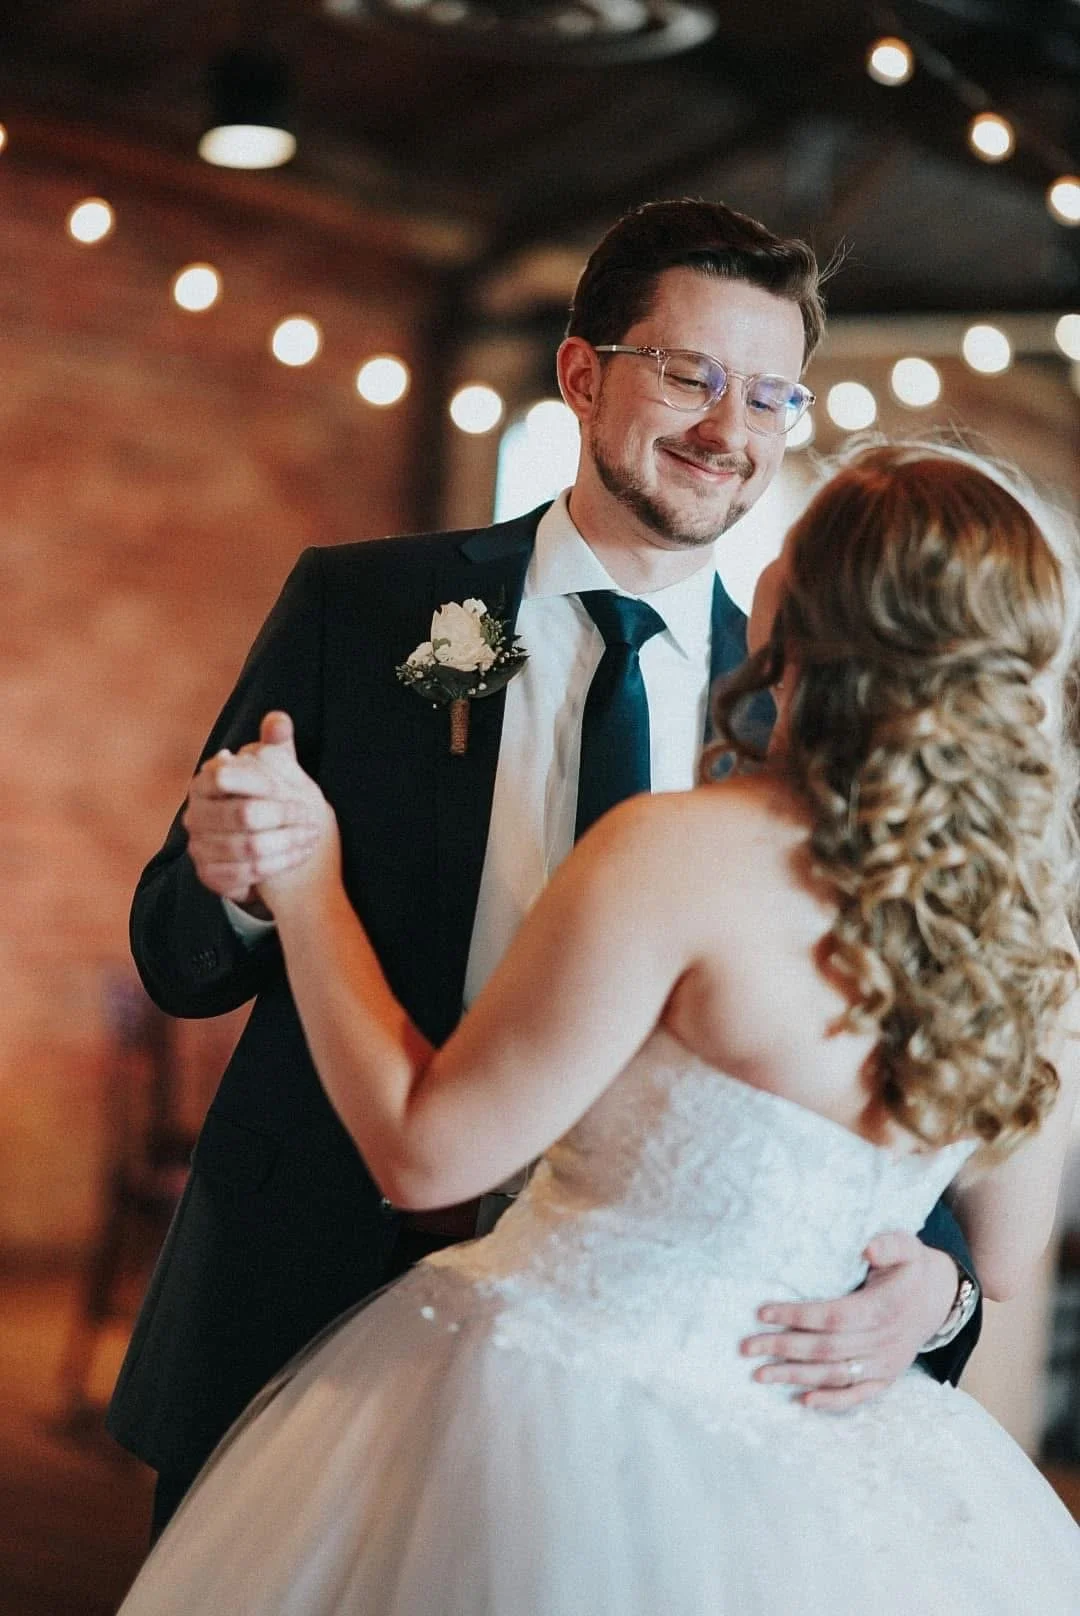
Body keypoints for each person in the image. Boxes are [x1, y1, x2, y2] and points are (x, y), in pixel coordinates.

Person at [108, 200, 980, 1537]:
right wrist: (233, 877)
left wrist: (941, 1282)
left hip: (626, 1373)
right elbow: (178, 951)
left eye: (769, 396)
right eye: (689, 375)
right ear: (582, 373)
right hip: (312, 1282)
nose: (729, 431)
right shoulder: (375, 609)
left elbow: (884, 1035)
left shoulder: (800, 700)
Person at [118, 444, 1080, 1613]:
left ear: (811, 615)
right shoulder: (1029, 931)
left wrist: (310, 877)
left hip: (549, 1410)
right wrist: (944, 1283)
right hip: (829, 1485)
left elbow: (424, 1145)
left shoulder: (681, 848)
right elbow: (1009, 1248)